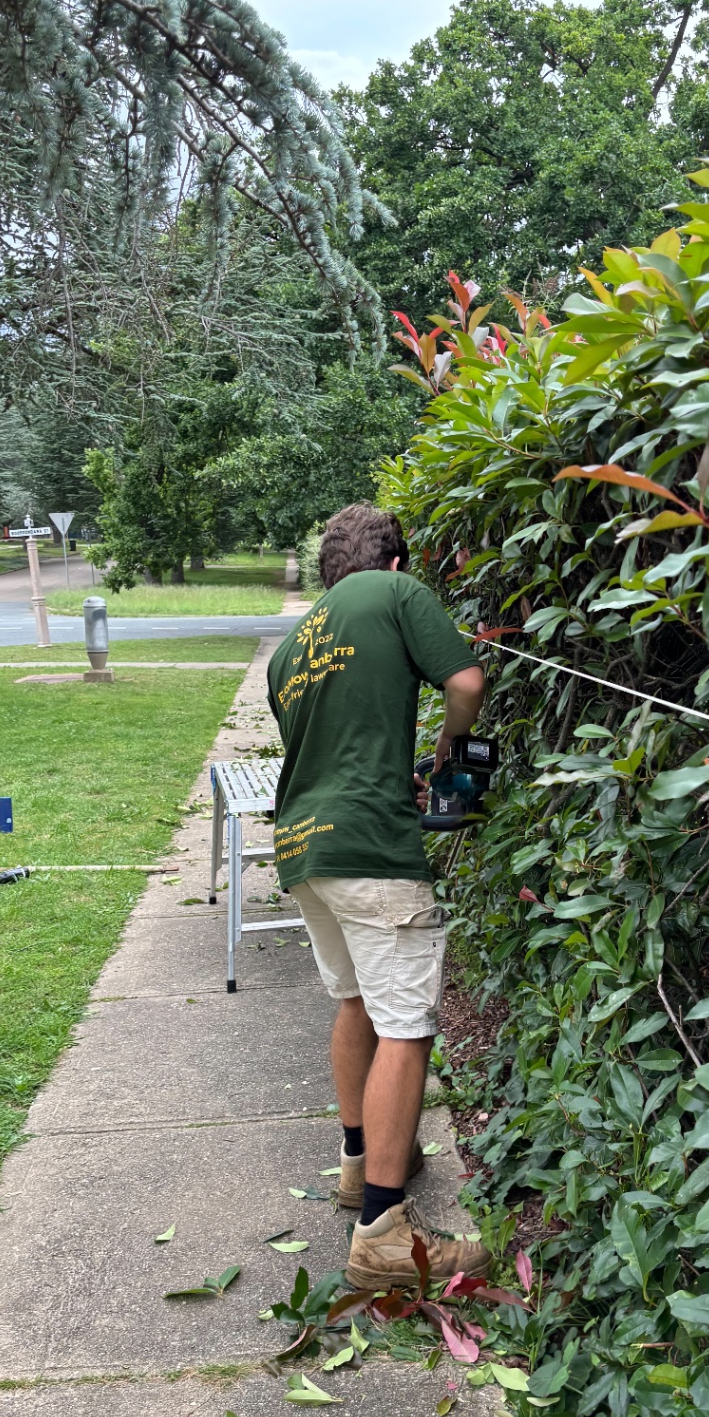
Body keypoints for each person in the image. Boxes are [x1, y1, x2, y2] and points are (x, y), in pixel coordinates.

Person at [266, 503, 491, 1289]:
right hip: (370, 844)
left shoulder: (291, 645)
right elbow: (465, 681)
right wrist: (447, 745)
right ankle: (385, 1239)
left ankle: (360, 1167)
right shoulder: (395, 595)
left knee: (357, 1000)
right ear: (395, 563)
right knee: (407, 1025)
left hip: (302, 847)